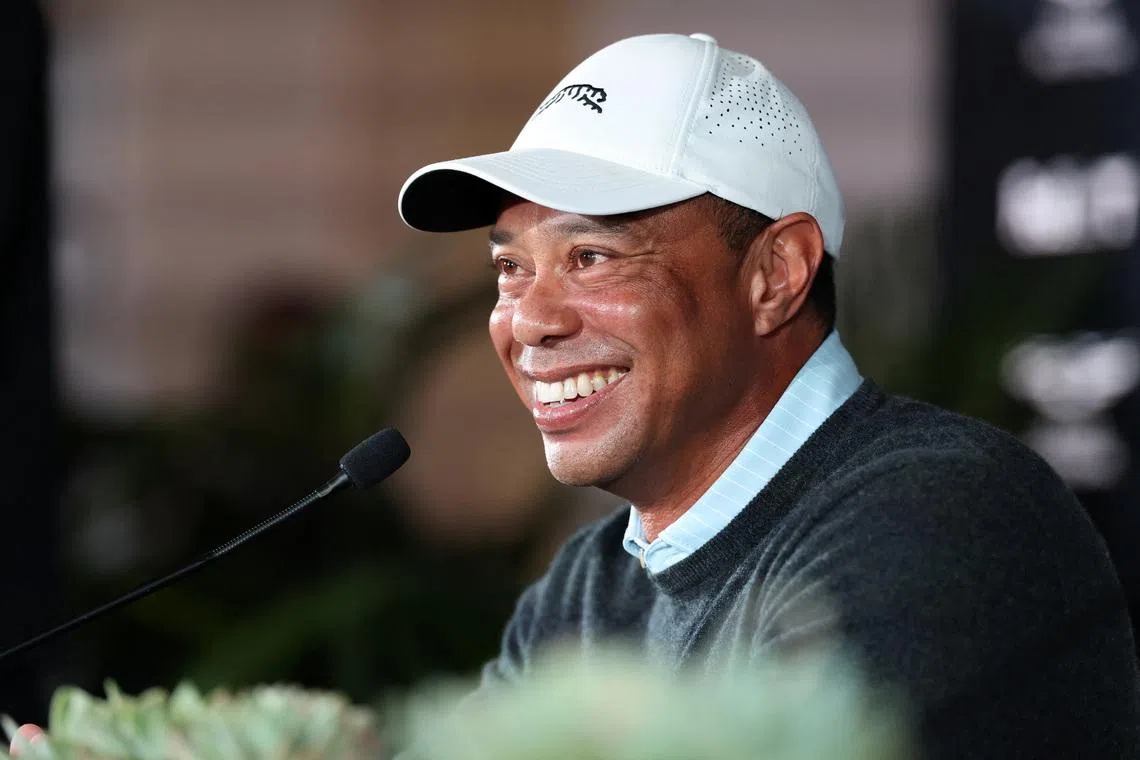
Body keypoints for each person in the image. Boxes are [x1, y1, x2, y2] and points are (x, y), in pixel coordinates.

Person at [10, 31, 1139, 760]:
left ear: (776, 274)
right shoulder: (590, 589)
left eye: (593, 257)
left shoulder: (940, 515)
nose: (530, 321)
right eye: (511, 268)